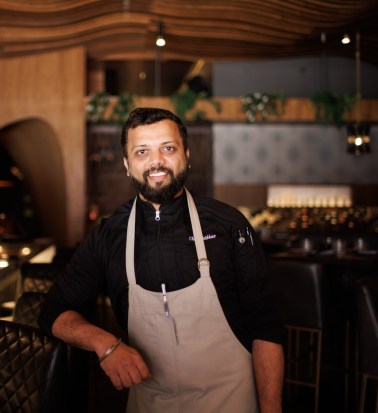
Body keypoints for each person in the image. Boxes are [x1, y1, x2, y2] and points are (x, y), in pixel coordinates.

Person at [38, 107, 285, 413]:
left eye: (168, 148)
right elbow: (54, 311)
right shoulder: (108, 234)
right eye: (142, 151)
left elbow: (266, 327)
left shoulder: (229, 224)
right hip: (149, 402)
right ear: (128, 164)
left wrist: (272, 409)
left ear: (187, 155)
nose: (156, 162)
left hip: (230, 397)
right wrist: (105, 345)